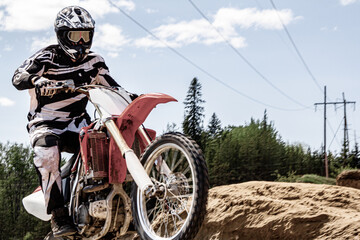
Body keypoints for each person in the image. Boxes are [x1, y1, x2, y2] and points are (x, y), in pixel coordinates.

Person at [12, 6, 131, 237]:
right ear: (62, 35)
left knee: (107, 143)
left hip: (78, 122)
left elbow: (112, 87)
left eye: (86, 35)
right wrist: (37, 79)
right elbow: (17, 77)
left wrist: (132, 98)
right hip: (45, 122)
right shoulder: (46, 56)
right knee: (47, 152)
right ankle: (58, 215)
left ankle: (109, 198)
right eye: (75, 36)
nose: (81, 42)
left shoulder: (95, 61)